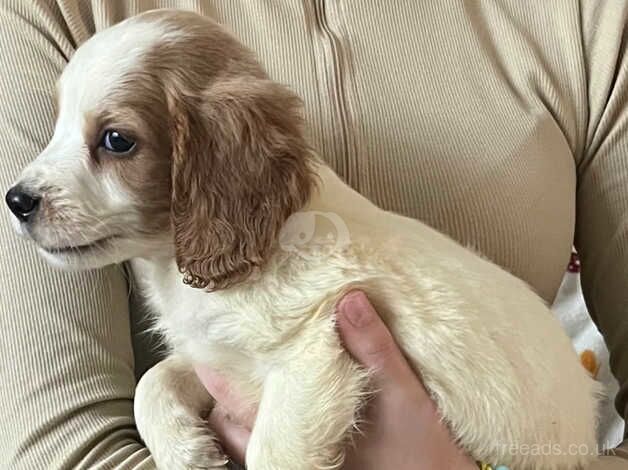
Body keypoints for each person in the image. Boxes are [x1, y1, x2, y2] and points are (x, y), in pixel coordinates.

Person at [0, 1, 626, 469]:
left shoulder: (584, 18)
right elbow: (55, 440)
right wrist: (164, 398)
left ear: (215, 166)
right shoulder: (53, 14)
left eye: (116, 142)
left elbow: (311, 357)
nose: (33, 185)